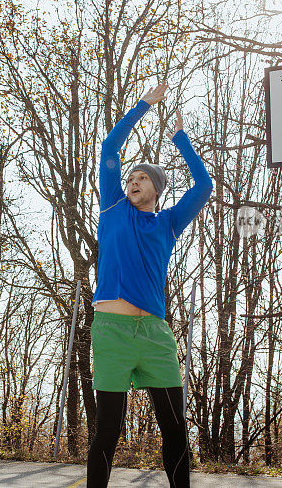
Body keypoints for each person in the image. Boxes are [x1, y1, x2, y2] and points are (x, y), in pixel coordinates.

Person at [88, 84, 213, 488]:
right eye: (131, 177)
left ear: (157, 188)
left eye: (143, 178)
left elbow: (204, 187)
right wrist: (144, 105)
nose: (133, 181)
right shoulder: (113, 207)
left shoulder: (168, 223)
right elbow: (110, 145)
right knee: (107, 430)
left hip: (156, 336)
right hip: (112, 332)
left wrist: (181, 140)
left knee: (176, 429)